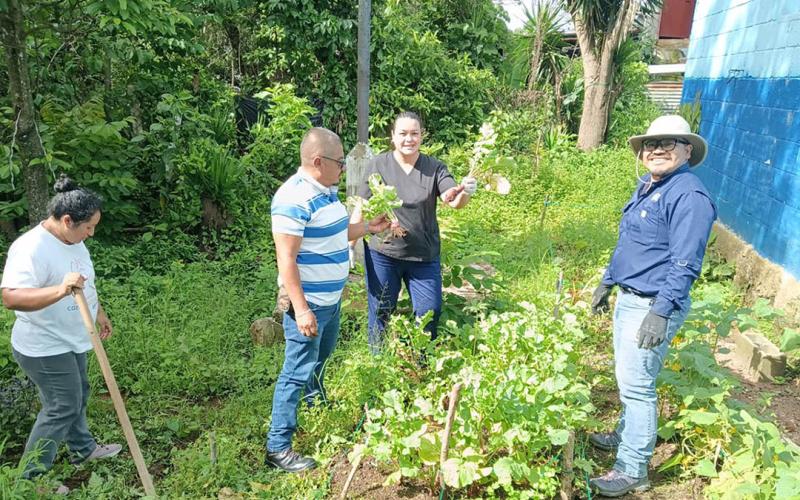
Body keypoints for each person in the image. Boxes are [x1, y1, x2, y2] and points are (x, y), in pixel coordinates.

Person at [588, 115, 717, 497]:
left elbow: (685, 262)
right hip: (630, 298)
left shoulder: (689, 196)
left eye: (669, 142)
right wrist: (607, 280)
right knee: (630, 379)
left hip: (652, 304)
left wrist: (660, 312)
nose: (657, 149)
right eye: (650, 143)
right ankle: (626, 435)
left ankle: (632, 468)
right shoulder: (650, 184)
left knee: (638, 386)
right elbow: (632, 242)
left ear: (687, 150)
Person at [266, 127, 390, 473]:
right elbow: (286, 260)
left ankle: (315, 403)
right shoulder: (292, 198)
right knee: (295, 370)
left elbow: (334, 233)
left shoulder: (324, 191)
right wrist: (302, 310)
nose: (344, 169)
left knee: (319, 358)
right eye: (340, 162)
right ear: (318, 161)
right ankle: (278, 446)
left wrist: (368, 228)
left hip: (330, 301)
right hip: (310, 305)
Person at [1, 175, 121, 488]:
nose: (91, 233)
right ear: (67, 220)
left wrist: (99, 312)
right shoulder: (30, 248)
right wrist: (59, 290)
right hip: (44, 346)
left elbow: (85, 283)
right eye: (88, 227)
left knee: (78, 394)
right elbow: (11, 297)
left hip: (72, 337)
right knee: (61, 406)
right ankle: (30, 479)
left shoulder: (75, 241)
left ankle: (83, 450)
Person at [359, 111, 477, 353]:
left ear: (422, 136)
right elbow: (362, 206)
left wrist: (465, 191)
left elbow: (452, 200)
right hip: (384, 254)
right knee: (381, 310)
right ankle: (377, 363)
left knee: (429, 312)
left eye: (414, 133)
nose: (409, 139)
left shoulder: (434, 168)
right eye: (403, 133)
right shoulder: (377, 165)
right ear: (392, 136)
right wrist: (351, 241)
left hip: (424, 257)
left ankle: (421, 362)